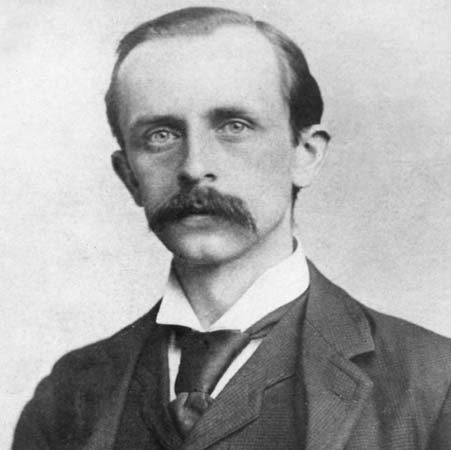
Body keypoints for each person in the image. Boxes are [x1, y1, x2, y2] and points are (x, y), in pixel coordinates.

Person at [12, 6, 451, 450]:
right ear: (129, 176)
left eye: (234, 126)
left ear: (305, 154)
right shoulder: (65, 399)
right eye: (161, 135)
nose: (194, 166)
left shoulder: (434, 383)